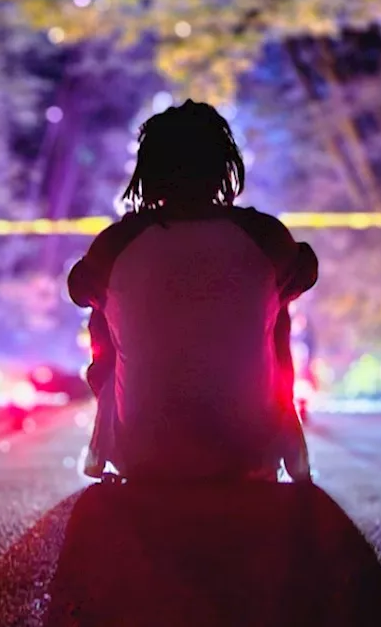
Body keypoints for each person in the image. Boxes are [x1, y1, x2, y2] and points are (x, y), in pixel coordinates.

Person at [69, 100, 316, 483]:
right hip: (248, 450)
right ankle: (288, 440)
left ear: (149, 171)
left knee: (102, 306)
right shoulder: (263, 236)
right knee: (278, 300)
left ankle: (102, 444)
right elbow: (306, 270)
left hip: (143, 453)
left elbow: (77, 287)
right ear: (223, 167)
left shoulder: (118, 243)